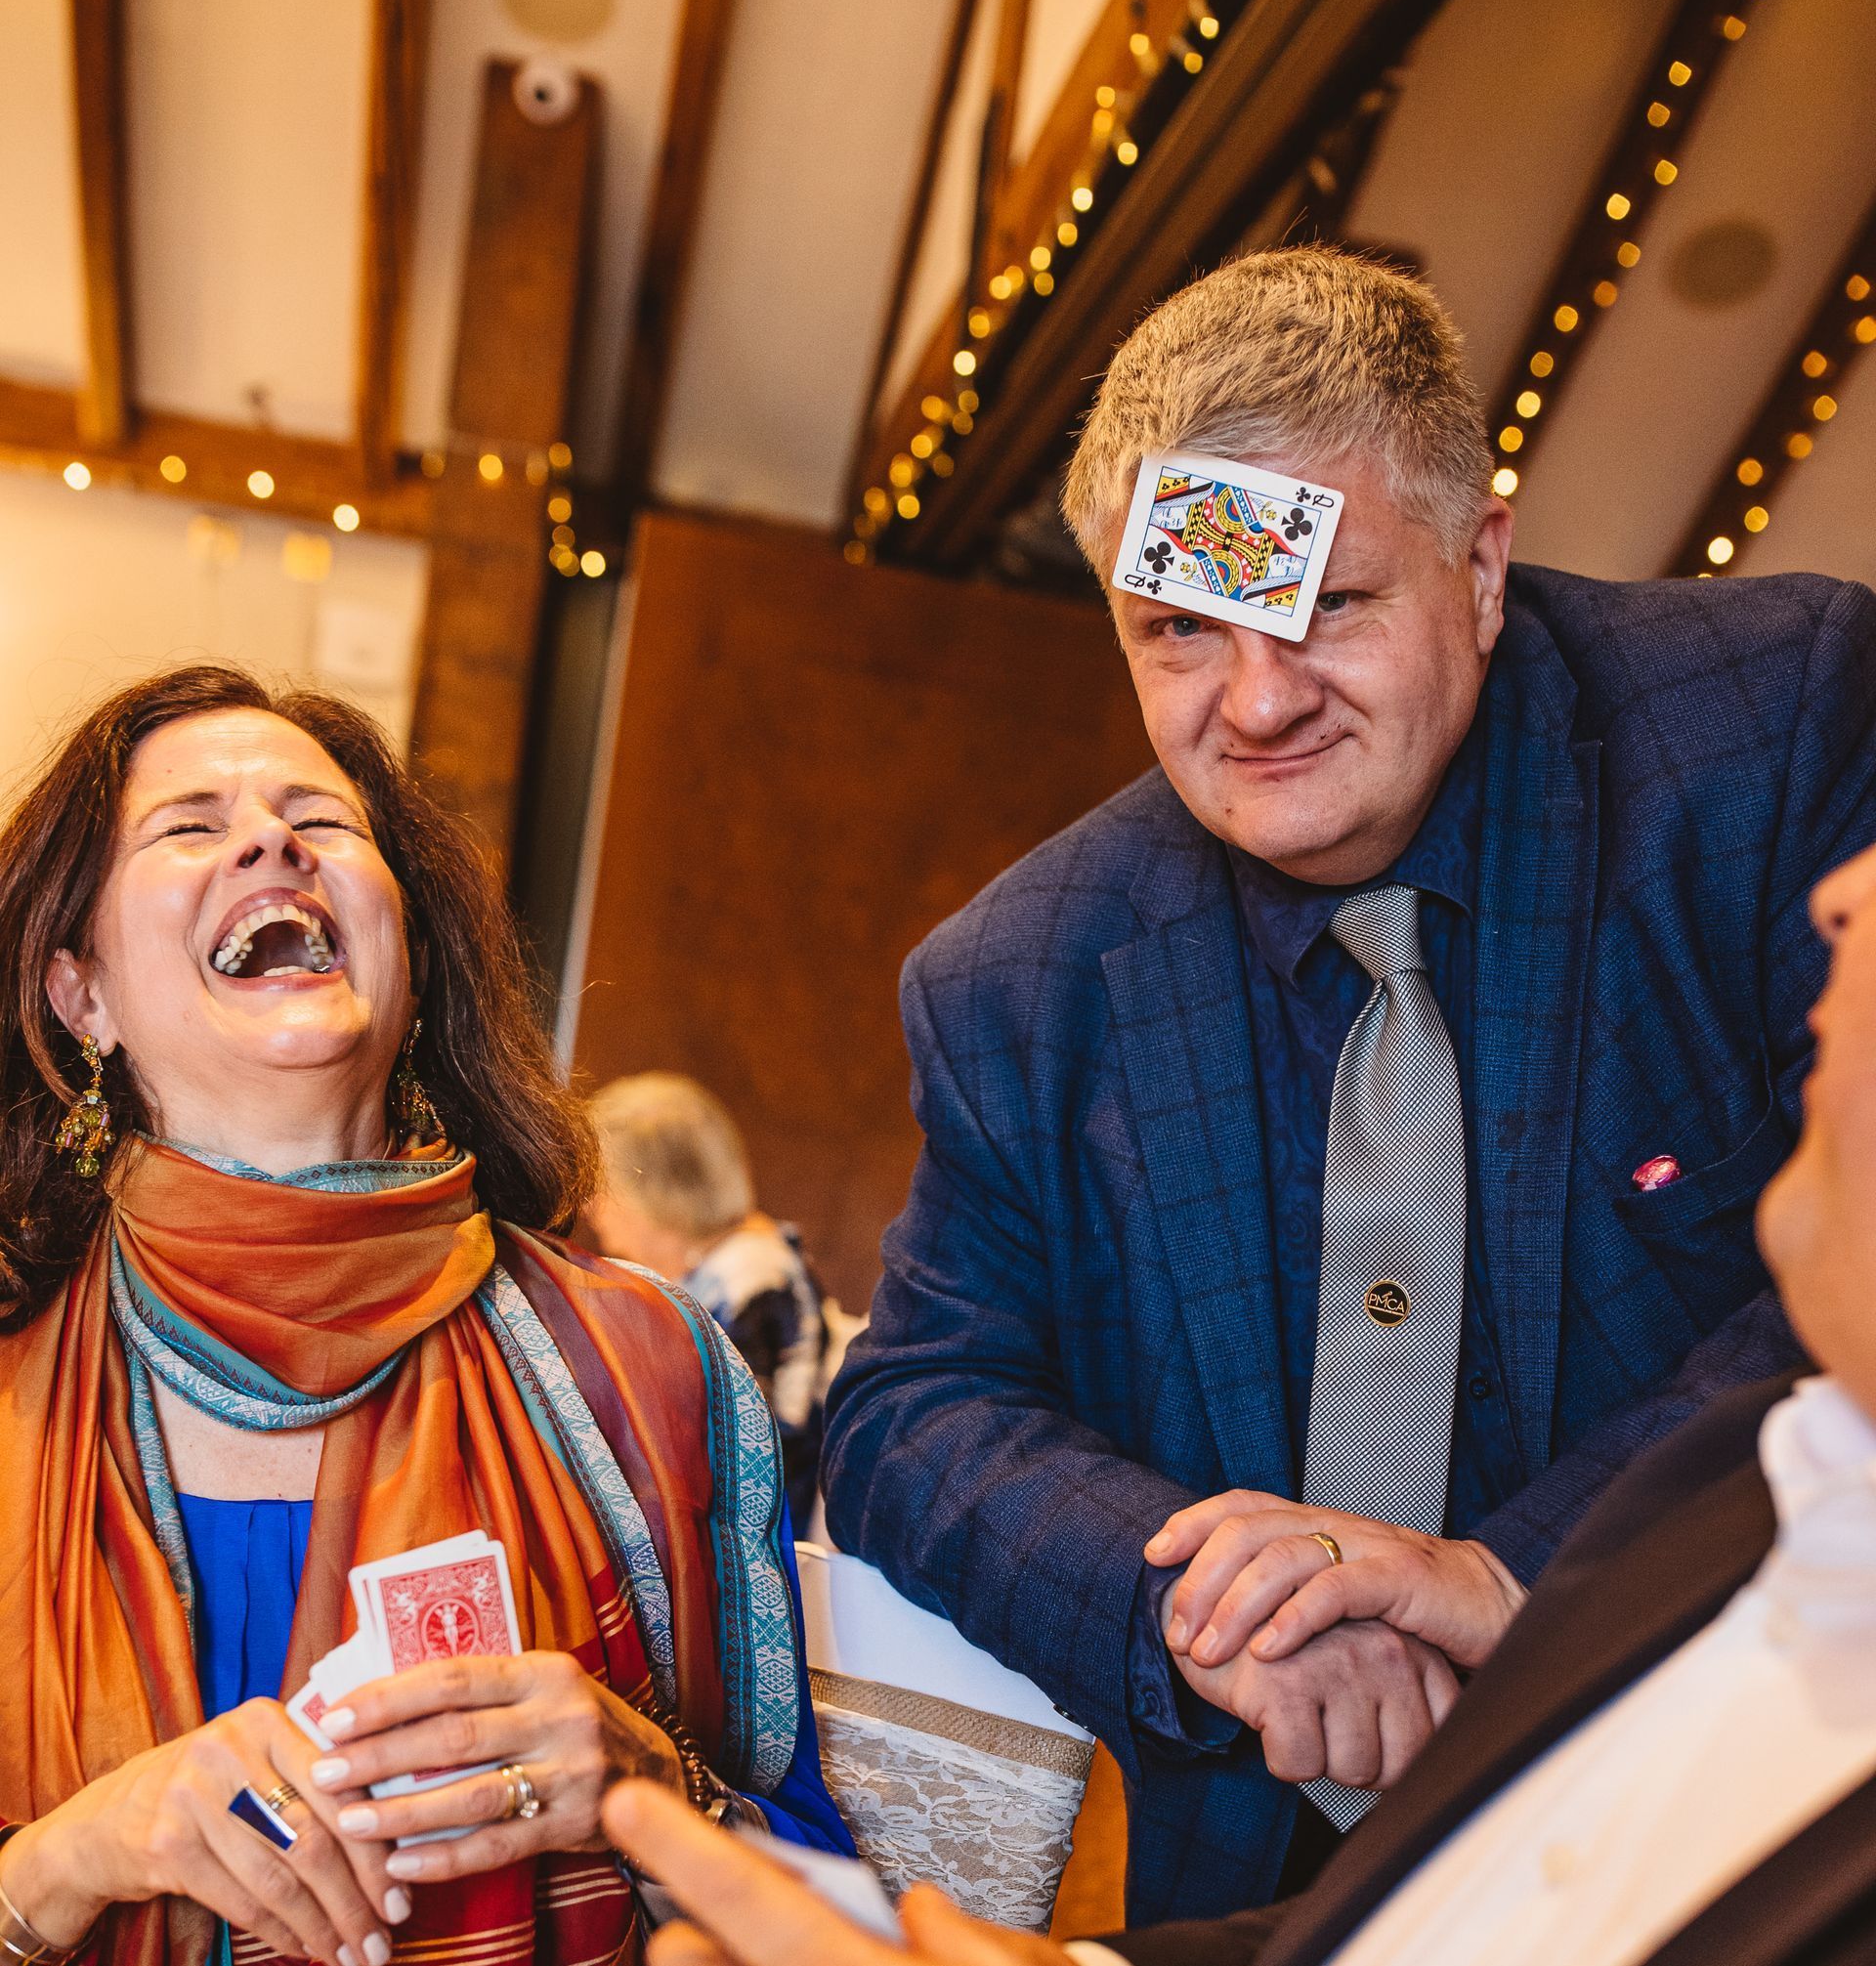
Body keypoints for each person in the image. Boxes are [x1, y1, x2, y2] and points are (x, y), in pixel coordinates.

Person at [821, 244, 1876, 1920]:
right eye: (1180, 626)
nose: (1255, 697)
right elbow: (906, 1414)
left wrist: (1509, 1571)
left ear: (1482, 561)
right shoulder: (1017, 975)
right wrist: (1215, 1605)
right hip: (1254, 1890)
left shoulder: (1774, 728)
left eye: (1328, 603)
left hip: (1726, 1809)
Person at [601, 826, 1876, 1966]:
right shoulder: (1740, 1477)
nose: (1845, 896)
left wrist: (1501, 1575)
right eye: (1178, 631)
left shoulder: (1735, 778)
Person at [0, 666, 850, 1966]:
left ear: (410, 957)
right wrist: (68, 1857)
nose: (272, 840)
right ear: (81, 997)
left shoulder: (648, 1368)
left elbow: (818, 1903)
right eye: (190, 824)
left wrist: (644, 1778)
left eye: (321, 821)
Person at [585, 1073, 836, 1527]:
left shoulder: (749, 1280)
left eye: (602, 1187)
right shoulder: (714, 1268)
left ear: (658, 1192)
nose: (591, 1209)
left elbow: (731, 1459)